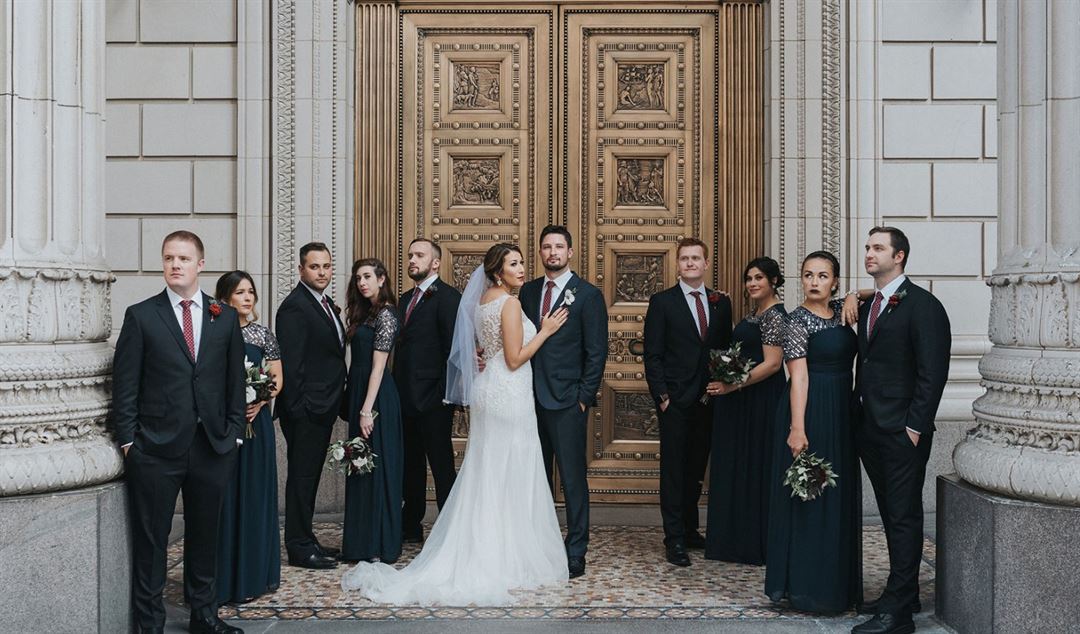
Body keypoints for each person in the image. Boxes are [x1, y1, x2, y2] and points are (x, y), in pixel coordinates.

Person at [341, 242, 569, 605]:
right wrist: (545, 331)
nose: (522, 269)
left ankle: (483, 541)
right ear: (498, 272)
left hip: (489, 390)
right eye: (514, 264)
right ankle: (508, 551)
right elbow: (513, 359)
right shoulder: (509, 304)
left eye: (521, 263)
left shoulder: (480, 302)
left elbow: (474, 347)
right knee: (511, 468)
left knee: (488, 469)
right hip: (508, 391)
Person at [111, 231, 245, 634]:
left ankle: (204, 616)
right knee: (152, 541)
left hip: (212, 446)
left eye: (184, 258)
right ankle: (150, 624)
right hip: (154, 450)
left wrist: (234, 435)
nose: (175, 265)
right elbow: (126, 385)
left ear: (200, 265)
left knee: (205, 537)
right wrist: (130, 442)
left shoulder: (223, 317)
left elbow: (234, 382)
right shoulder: (141, 316)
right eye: (169, 258)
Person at [847, 227, 951, 634]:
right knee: (891, 514)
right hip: (869, 428)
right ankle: (903, 592)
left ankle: (899, 615)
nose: (869, 254)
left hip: (902, 432)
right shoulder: (870, 304)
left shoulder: (924, 306)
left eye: (878, 248)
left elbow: (932, 373)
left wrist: (914, 427)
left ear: (900, 256)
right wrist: (853, 295)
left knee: (904, 515)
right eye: (867, 247)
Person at [765, 250, 861, 614]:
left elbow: (883, 293)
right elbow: (799, 378)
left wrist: (854, 295)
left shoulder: (841, 310)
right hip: (810, 410)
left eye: (822, 275)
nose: (814, 281)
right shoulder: (796, 322)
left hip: (842, 412)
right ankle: (808, 588)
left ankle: (837, 586)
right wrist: (797, 428)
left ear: (834, 281)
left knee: (837, 496)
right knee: (812, 495)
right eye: (808, 275)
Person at [518, 225, 607, 579]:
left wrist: (583, 398)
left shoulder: (587, 295)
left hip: (567, 402)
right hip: (527, 401)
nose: (552, 252)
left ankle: (576, 549)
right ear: (540, 252)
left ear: (570, 252)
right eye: (546, 247)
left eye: (559, 247)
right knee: (533, 477)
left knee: (572, 480)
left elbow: (596, 352)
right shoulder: (527, 291)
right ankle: (535, 546)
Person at [643, 237, 733, 567]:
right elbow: (652, 353)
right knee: (674, 470)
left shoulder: (721, 303)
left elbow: (725, 348)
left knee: (697, 467)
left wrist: (724, 384)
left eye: (696, 258)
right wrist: (662, 396)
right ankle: (674, 538)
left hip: (709, 399)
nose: (691, 263)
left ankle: (691, 529)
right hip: (676, 401)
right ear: (678, 264)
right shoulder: (662, 302)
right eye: (685, 259)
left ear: (706, 264)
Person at [704, 256, 787, 565]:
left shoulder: (775, 316)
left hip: (761, 401)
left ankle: (753, 544)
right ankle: (734, 540)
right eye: (749, 278)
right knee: (739, 466)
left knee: (756, 466)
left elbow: (773, 364)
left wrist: (732, 385)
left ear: (774, 281)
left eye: (759, 278)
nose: (752, 283)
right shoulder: (755, 314)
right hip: (743, 401)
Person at [275, 242, 347, 569]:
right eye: (315, 267)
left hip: (323, 407)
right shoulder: (294, 307)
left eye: (326, 266)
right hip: (306, 411)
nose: (322, 272)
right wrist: (299, 410)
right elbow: (292, 365)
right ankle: (299, 547)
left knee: (309, 478)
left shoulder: (323, 303)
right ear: (301, 269)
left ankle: (307, 537)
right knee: (302, 480)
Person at [214, 270, 283, 604]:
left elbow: (276, 378)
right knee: (225, 496)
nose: (247, 297)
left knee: (255, 493)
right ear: (225, 298)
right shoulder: (213, 331)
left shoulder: (262, 334)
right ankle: (223, 577)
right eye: (240, 292)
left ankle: (255, 575)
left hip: (257, 424)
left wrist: (260, 400)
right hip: (224, 424)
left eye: (250, 292)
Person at [394, 238, 461, 544]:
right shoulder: (405, 299)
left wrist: (443, 395)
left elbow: (453, 350)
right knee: (411, 465)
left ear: (435, 263)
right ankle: (411, 524)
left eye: (419, 255)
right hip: (405, 397)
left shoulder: (448, 297)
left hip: (435, 399)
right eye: (410, 255)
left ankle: (450, 527)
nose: (412, 260)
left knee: (441, 464)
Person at [341, 258, 404, 563]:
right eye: (358, 278)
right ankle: (360, 542)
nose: (362, 282)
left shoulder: (387, 313)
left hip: (376, 397)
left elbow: (379, 366)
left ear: (381, 279)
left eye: (367, 276)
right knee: (360, 466)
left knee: (376, 465)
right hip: (360, 393)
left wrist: (367, 410)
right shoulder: (362, 312)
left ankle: (381, 542)